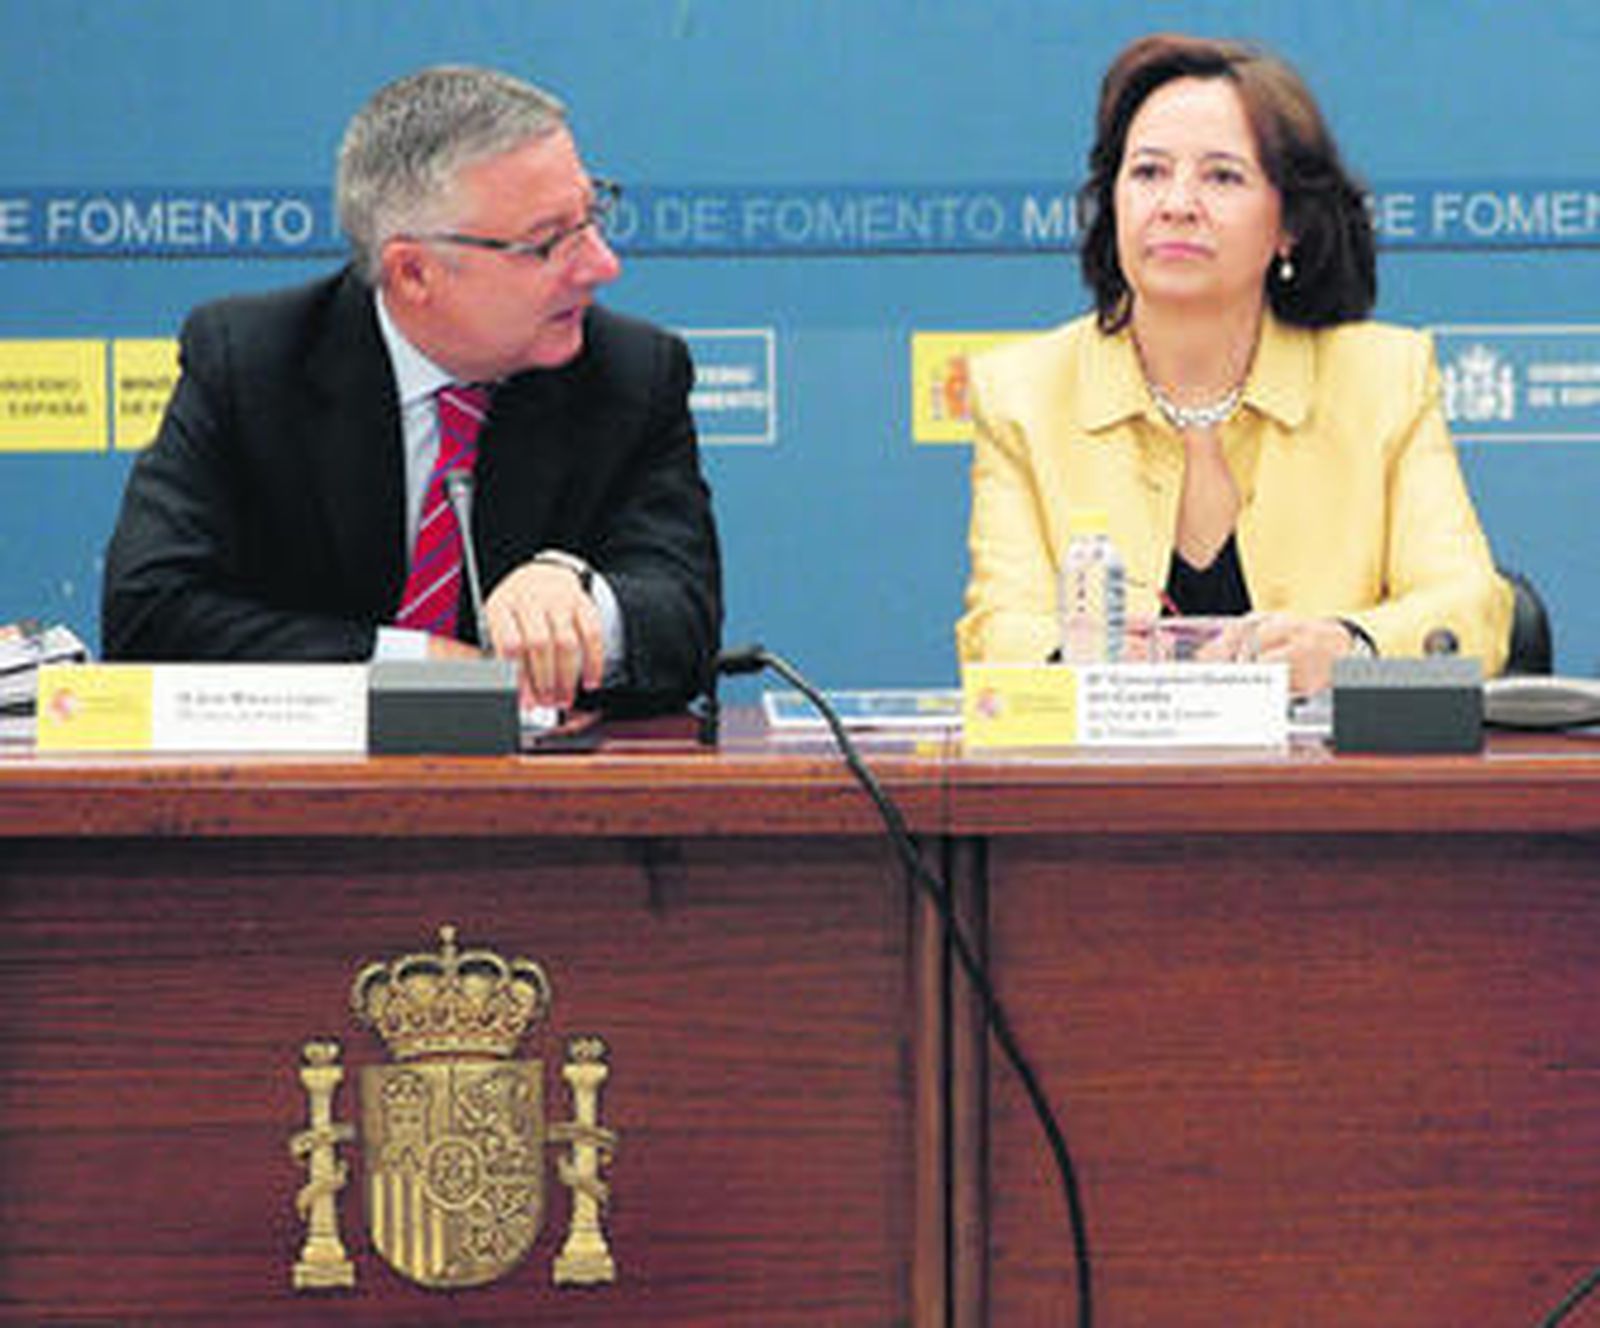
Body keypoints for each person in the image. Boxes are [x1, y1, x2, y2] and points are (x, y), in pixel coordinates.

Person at [103, 65, 721, 715]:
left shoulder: (631, 374)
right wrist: (412, 665)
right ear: (414, 273)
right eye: (547, 243)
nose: (602, 264)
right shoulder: (252, 365)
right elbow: (149, 615)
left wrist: (583, 600)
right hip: (304, 777)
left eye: (591, 218)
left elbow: (685, 619)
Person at [956, 33, 1511, 694]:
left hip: (1324, 762)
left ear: (1290, 223)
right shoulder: (1022, 393)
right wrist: (1068, 661)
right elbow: (997, 634)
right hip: (1108, 760)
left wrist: (1347, 647)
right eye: (1148, 172)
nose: (1176, 204)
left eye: (1222, 176)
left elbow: (1471, 607)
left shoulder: (1384, 379)